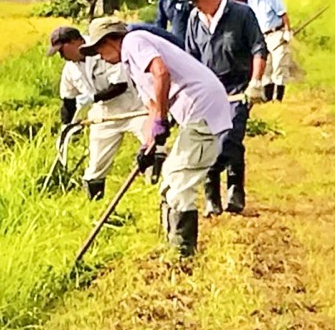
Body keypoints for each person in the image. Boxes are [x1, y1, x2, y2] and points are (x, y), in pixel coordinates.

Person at [81, 17, 232, 256]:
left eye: (98, 49)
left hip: (201, 108)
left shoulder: (133, 40)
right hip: (194, 113)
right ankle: (171, 244)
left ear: (110, 40)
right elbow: (152, 105)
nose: (99, 56)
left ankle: (182, 254)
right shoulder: (131, 65)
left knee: (180, 184)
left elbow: (161, 73)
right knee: (169, 180)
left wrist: (161, 120)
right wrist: (148, 145)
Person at [182, 0, 267, 216]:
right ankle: (213, 195)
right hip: (207, 92)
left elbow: (258, 48)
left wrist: (256, 82)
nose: (195, 4)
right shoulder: (194, 19)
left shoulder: (241, 14)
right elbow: (191, 58)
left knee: (229, 138)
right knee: (208, 142)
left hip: (237, 89)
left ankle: (234, 187)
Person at [47, 26, 145, 200]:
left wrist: (93, 97)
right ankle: (94, 205)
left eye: (62, 50)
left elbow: (120, 85)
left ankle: (164, 192)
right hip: (103, 115)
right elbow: (68, 101)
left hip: (134, 109)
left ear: (75, 42)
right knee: (96, 166)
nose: (61, 56)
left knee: (153, 148)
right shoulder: (70, 68)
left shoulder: (101, 49)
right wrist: (66, 127)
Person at [237, 0, 293, 102]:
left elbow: (283, 14)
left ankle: (278, 99)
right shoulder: (250, 0)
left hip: (276, 34)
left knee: (279, 65)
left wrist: (287, 31)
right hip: (262, 36)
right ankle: (268, 99)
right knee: (266, 67)